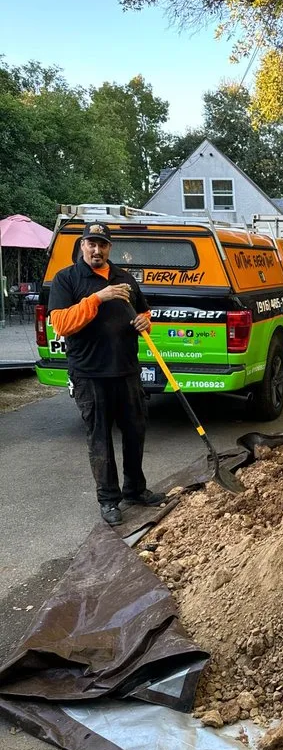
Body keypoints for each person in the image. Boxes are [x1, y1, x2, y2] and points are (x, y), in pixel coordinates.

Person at [48, 221, 166, 526]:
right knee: (99, 438)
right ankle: (108, 499)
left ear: (109, 247)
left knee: (135, 432)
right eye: (91, 244)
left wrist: (145, 321)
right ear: (82, 246)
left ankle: (135, 490)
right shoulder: (67, 279)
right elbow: (61, 324)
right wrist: (98, 298)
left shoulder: (124, 278)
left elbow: (143, 311)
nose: (97, 250)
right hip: (89, 373)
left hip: (126, 370)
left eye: (102, 244)